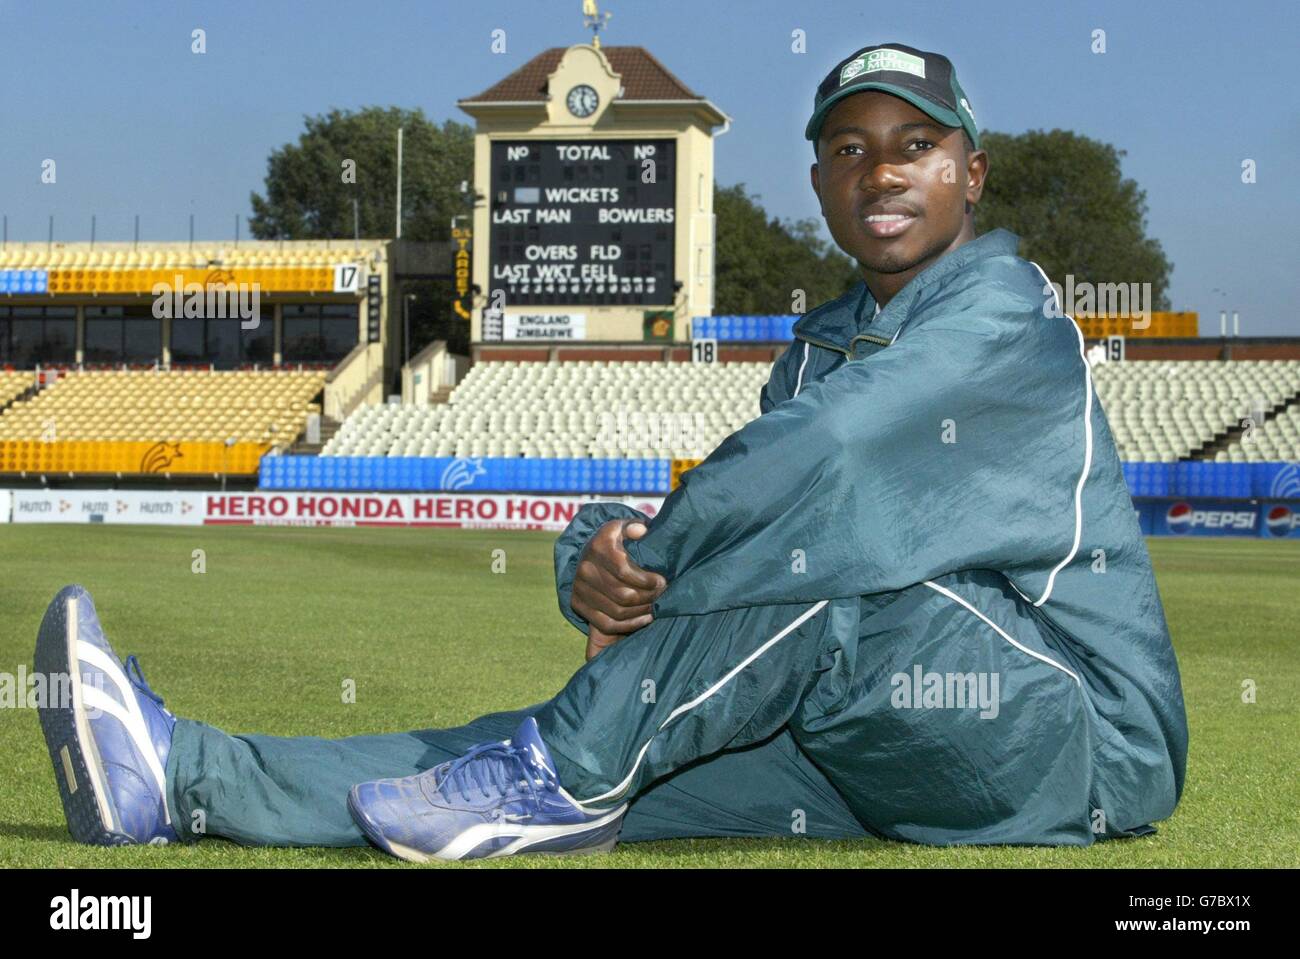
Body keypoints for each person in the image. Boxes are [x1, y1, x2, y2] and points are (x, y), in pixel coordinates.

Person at [35, 42, 1187, 862]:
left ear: (969, 174)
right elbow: (756, 468)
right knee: (536, 754)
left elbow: (823, 464)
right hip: (887, 744)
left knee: (787, 585)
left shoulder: (1007, 310)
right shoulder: (821, 342)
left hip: (1077, 737)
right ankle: (182, 775)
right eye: (849, 147)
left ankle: (564, 775)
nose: (880, 171)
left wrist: (658, 561)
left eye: (915, 145)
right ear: (821, 180)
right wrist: (599, 555)